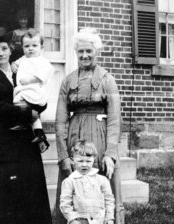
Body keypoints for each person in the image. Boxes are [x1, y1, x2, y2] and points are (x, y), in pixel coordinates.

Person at [0, 27, 52, 224]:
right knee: (5, 188)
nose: (0, 53)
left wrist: (39, 123)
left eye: (3, 48)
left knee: (31, 186)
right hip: (1, 139)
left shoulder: (21, 71)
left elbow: (38, 96)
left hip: (25, 138)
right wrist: (27, 112)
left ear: (10, 50)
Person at [55, 28, 125, 224]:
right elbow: (60, 120)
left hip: (100, 137)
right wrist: (63, 155)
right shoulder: (68, 80)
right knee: (73, 183)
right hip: (74, 136)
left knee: (102, 183)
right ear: (76, 52)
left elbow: (114, 119)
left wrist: (110, 154)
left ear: (97, 52)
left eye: (89, 51)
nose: (85, 55)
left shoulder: (107, 80)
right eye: (80, 51)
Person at [10, 28, 53, 148]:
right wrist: (13, 65)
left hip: (35, 92)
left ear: (41, 48)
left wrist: (30, 80)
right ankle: (40, 134)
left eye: (34, 45)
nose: (30, 49)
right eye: (26, 46)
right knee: (33, 117)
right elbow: (15, 63)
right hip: (26, 90)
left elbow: (43, 75)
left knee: (18, 102)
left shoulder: (42, 61)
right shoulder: (24, 59)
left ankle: (22, 122)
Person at [60, 140, 115, 224]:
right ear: (73, 159)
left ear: (94, 159)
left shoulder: (102, 180)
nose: (84, 165)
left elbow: (109, 200)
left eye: (88, 161)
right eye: (80, 161)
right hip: (79, 221)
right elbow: (65, 204)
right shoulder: (69, 181)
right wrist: (72, 219)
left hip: (99, 221)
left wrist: (109, 218)